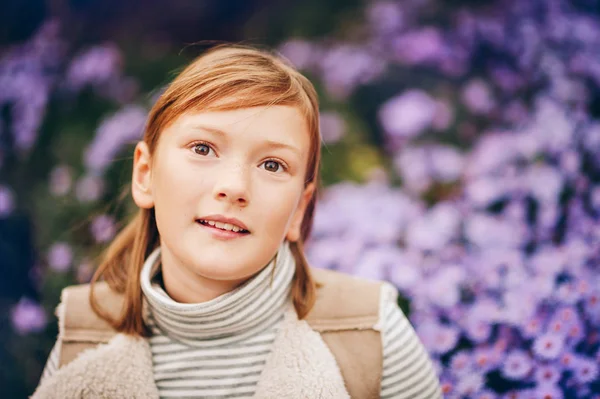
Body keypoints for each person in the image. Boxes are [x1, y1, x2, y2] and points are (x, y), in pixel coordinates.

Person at [33, 44, 442, 399]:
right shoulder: (81, 336)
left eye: (272, 163)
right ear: (145, 175)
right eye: (203, 148)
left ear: (299, 209)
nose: (234, 187)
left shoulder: (369, 332)